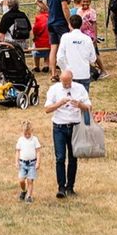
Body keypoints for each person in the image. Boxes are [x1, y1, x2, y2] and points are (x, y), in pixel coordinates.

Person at [43, 69, 92, 199]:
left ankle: (70, 187)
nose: (66, 85)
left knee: (73, 158)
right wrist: (59, 103)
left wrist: (79, 105)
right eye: (64, 83)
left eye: (68, 82)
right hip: (59, 127)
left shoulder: (80, 88)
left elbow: (89, 107)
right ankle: (61, 187)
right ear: (60, 80)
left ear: (72, 79)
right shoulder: (54, 89)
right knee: (60, 158)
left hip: (74, 126)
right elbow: (47, 109)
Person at [39, 0, 73, 78]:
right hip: (60, 22)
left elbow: (38, 0)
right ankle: (66, 71)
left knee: (53, 47)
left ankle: (53, 73)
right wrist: (69, 22)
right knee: (65, 47)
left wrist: (47, 9)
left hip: (51, 22)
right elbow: (65, 6)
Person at [57, 14, 97, 91]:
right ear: (81, 24)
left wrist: (66, 69)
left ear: (69, 25)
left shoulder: (65, 37)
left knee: (70, 100)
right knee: (83, 100)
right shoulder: (87, 39)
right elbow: (93, 58)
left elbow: (60, 58)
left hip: (69, 75)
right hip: (84, 74)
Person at [15, 120, 41, 203]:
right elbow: (18, 151)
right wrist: (16, 161)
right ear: (22, 132)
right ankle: (23, 191)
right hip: (22, 163)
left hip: (32, 163)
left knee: (30, 180)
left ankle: (29, 196)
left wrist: (38, 162)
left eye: (29, 134)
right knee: (21, 180)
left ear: (31, 131)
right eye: (25, 134)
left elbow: (38, 151)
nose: (27, 135)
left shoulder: (34, 140)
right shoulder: (20, 140)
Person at [31, 1, 51, 73]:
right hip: (49, 40)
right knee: (47, 53)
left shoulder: (38, 18)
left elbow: (35, 29)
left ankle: (37, 66)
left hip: (39, 41)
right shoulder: (50, 17)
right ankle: (46, 65)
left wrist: (34, 36)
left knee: (36, 52)